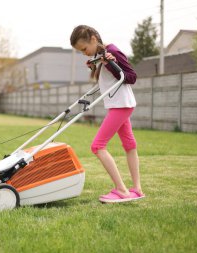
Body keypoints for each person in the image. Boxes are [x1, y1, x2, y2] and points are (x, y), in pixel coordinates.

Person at [70, 25, 145, 203]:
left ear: (94, 39)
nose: (84, 53)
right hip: (119, 105)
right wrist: (94, 64)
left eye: (84, 49)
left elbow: (131, 76)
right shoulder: (100, 55)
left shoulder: (112, 51)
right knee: (129, 144)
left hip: (121, 105)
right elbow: (107, 76)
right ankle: (137, 189)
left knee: (97, 146)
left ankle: (121, 190)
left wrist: (110, 64)